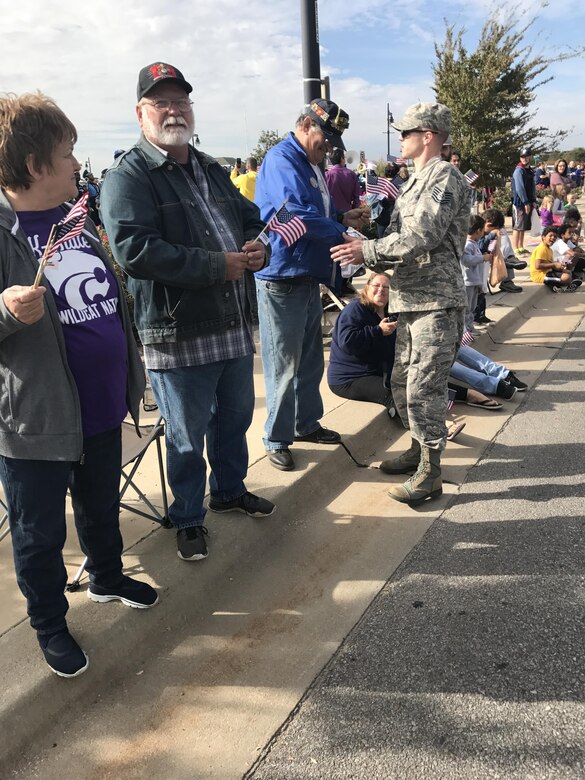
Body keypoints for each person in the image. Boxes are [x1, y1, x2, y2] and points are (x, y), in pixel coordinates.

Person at [0, 93, 157, 678]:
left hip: (100, 406)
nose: (75, 163)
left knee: (99, 507)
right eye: (67, 153)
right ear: (36, 164)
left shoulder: (74, 220)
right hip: (36, 422)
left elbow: (106, 296)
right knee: (39, 534)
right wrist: (7, 312)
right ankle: (49, 623)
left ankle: (108, 578)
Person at [100, 62, 275, 564]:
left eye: (181, 101)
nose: (174, 110)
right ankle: (188, 516)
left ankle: (229, 490)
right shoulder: (128, 175)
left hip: (232, 321)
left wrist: (257, 247)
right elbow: (134, 251)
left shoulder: (209, 167)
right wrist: (217, 266)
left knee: (235, 418)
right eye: (162, 102)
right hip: (177, 331)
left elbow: (248, 219)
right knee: (184, 432)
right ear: (141, 113)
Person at [331, 102, 470, 506]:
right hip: (411, 300)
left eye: (406, 133)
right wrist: (362, 233)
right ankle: (417, 450)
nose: (400, 140)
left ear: (428, 136)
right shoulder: (414, 181)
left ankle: (431, 473)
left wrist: (367, 250)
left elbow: (422, 235)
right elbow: (396, 236)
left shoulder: (443, 176)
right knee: (402, 382)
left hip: (435, 301)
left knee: (424, 388)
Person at [254, 98, 368, 472]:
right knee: (282, 364)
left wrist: (339, 215)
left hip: (305, 275)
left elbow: (312, 212)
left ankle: (306, 424)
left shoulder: (309, 163)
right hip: (282, 278)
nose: (329, 147)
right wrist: (342, 230)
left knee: (308, 359)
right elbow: (292, 214)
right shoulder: (282, 159)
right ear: (305, 125)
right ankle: (276, 436)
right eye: (326, 137)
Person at [327, 272, 397, 413]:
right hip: (350, 378)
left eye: (386, 287)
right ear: (367, 288)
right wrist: (378, 331)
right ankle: (418, 430)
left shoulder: (391, 313)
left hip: (376, 372)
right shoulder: (355, 309)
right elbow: (347, 342)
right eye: (376, 285)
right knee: (394, 396)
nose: (381, 290)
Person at [461, 215, 491, 331]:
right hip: (468, 282)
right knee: (467, 309)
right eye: (483, 230)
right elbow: (467, 260)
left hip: (474, 281)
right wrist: (483, 258)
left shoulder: (474, 244)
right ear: (478, 231)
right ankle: (466, 331)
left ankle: (470, 328)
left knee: (472, 307)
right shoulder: (468, 245)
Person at [529, 226, 581, 292]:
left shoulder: (549, 249)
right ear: (543, 237)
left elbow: (549, 263)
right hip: (540, 275)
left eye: (555, 236)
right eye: (550, 236)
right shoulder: (541, 248)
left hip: (548, 271)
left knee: (568, 272)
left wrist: (558, 267)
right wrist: (554, 265)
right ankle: (562, 287)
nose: (553, 238)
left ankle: (561, 285)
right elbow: (538, 266)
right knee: (566, 277)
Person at [511, 148, 538, 257]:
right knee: (518, 226)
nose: (524, 159)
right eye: (522, 157)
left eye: (526, 156)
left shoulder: (529, 170)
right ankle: (516, 249)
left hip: (528, 202)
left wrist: (533, 201)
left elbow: (532, 188)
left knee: (523, 226)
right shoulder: (519, 170)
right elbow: (520, 188)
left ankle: (521, 246)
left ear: (530, 157)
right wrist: (526, 202)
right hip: (519, 203)